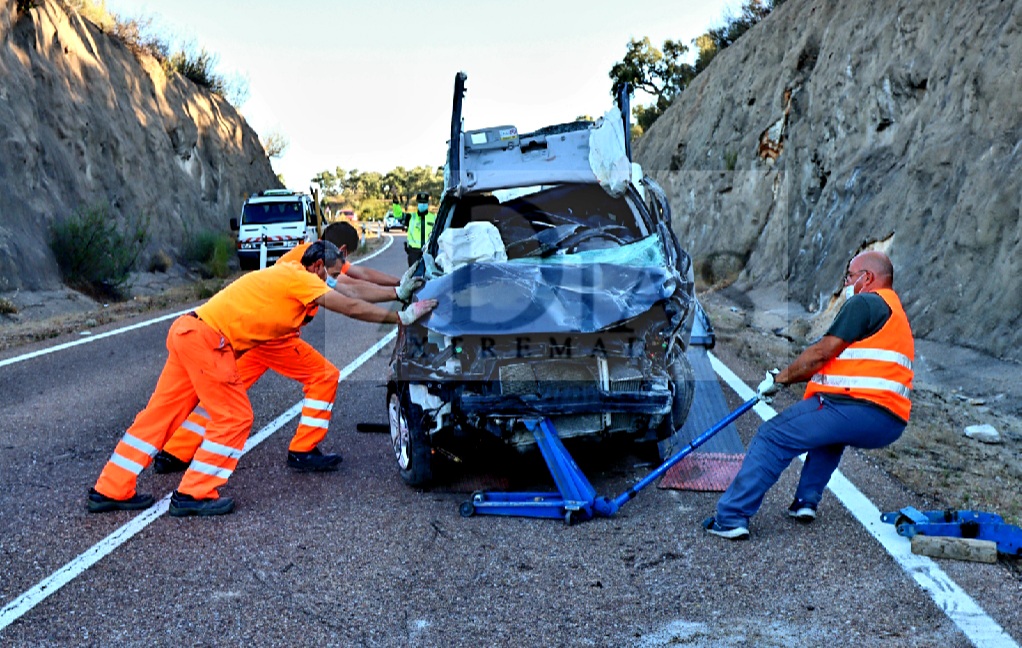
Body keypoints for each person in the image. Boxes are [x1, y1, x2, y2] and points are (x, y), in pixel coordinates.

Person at [87, 240, 436, 517]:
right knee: (235, 417)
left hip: (188, 330)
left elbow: (351, 292)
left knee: (159, 416)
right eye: (329, 275)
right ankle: (193, 493)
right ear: (316, 267)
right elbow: (349, 304)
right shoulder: (299, 278)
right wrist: (402, 318)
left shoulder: (293, 272)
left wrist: (396, 293)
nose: (333, 281)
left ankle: (110, 488)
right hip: (211, 342)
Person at [149, 223, 425, 476]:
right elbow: (350, 293)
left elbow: (352, 283)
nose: (342, 269)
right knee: (323, 376)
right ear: (338, 252)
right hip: (275, 339)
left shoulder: (313, 256)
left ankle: (176, 451)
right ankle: (303, 450)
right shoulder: (313, 266)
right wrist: (397, 303)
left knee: (224, 393)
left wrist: (396, 290)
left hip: (261, 335)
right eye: (344, 260)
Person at [703, 250, 914, 540]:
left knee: (771, 436)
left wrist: (780, 380)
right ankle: (806, 501)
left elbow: (821, 353)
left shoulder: (865, 302)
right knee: (829, 435)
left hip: (852, 406)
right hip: (889, 422)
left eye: (850, 276)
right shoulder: (896, 314)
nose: (846, 283)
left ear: (868, 278)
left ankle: (730, 518)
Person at [405, 191, 436, 266]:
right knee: (413, 276)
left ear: (427, 204)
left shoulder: (434, 218)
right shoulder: (411, 217)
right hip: (414, 252)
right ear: (417, 204)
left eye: (424, 203)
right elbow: (398, 215)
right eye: (420, 202)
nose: (422, 204)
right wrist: (395, 201)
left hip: (429, 252)